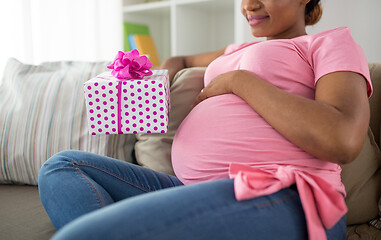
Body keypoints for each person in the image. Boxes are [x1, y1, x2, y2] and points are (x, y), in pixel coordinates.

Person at [38, 0, 372, 239]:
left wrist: (239, 81)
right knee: (62, 167)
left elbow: (341, 138)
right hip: (194, 190)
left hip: (284, 193)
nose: (249, 5)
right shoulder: (234, 51)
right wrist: (152, 82)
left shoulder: (328, 43)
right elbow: (179, 58)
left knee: (86, 234)